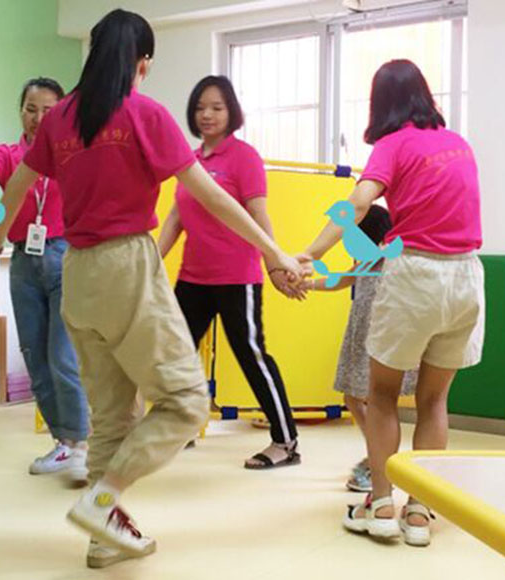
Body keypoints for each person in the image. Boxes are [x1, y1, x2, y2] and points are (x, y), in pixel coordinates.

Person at [0, 9, 303, 566]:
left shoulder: (59, 120)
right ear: (142, 64)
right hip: (126, 265)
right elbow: (212, 197)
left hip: (77, 270)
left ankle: (105, 541)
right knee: (186, 403)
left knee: (111, 417)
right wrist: (275, 251)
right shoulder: (143, 113)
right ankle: (103, 500)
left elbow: (15, 189)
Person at [299, 59, 484, 547]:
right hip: (467, 275)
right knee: (434, 400)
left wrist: (311, 253)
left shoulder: (393, 144)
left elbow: (359, 203)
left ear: (380, 104)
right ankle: (419, 512)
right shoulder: (458, 143)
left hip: (417, 274)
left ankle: (381, 504)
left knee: (380, 397)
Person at [158, 75, 300, 469]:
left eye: (216, 107)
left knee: (252, 356)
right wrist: (149, 262)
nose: (207, 114)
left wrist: (275, 263)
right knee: (175, 354)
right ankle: (183, 427)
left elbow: (258, 216)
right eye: (200, 107)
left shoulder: (244, 157)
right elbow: (175, 218)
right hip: (193, 278)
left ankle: (286, 441)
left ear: (231, 111)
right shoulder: (190, 160)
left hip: (237, 277)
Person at [0, 77, 89, 483]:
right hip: (23, 259)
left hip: (67, 255)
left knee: (63, 355)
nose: (38, 118)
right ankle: (63, 442)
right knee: (35, 357)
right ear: (20, 111)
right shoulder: (9, 154)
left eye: (48, 110)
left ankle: (81, 445)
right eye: (31, 109)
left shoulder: (74, 151)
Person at [303, 204, 418, 492]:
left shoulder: (391, 259)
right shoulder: (370, 260)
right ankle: (378, 455)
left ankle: (379, 461)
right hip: (364, 338)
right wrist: (308, 285)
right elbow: (340, 280)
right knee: (354, 399)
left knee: (370, 402)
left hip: (379, 340)